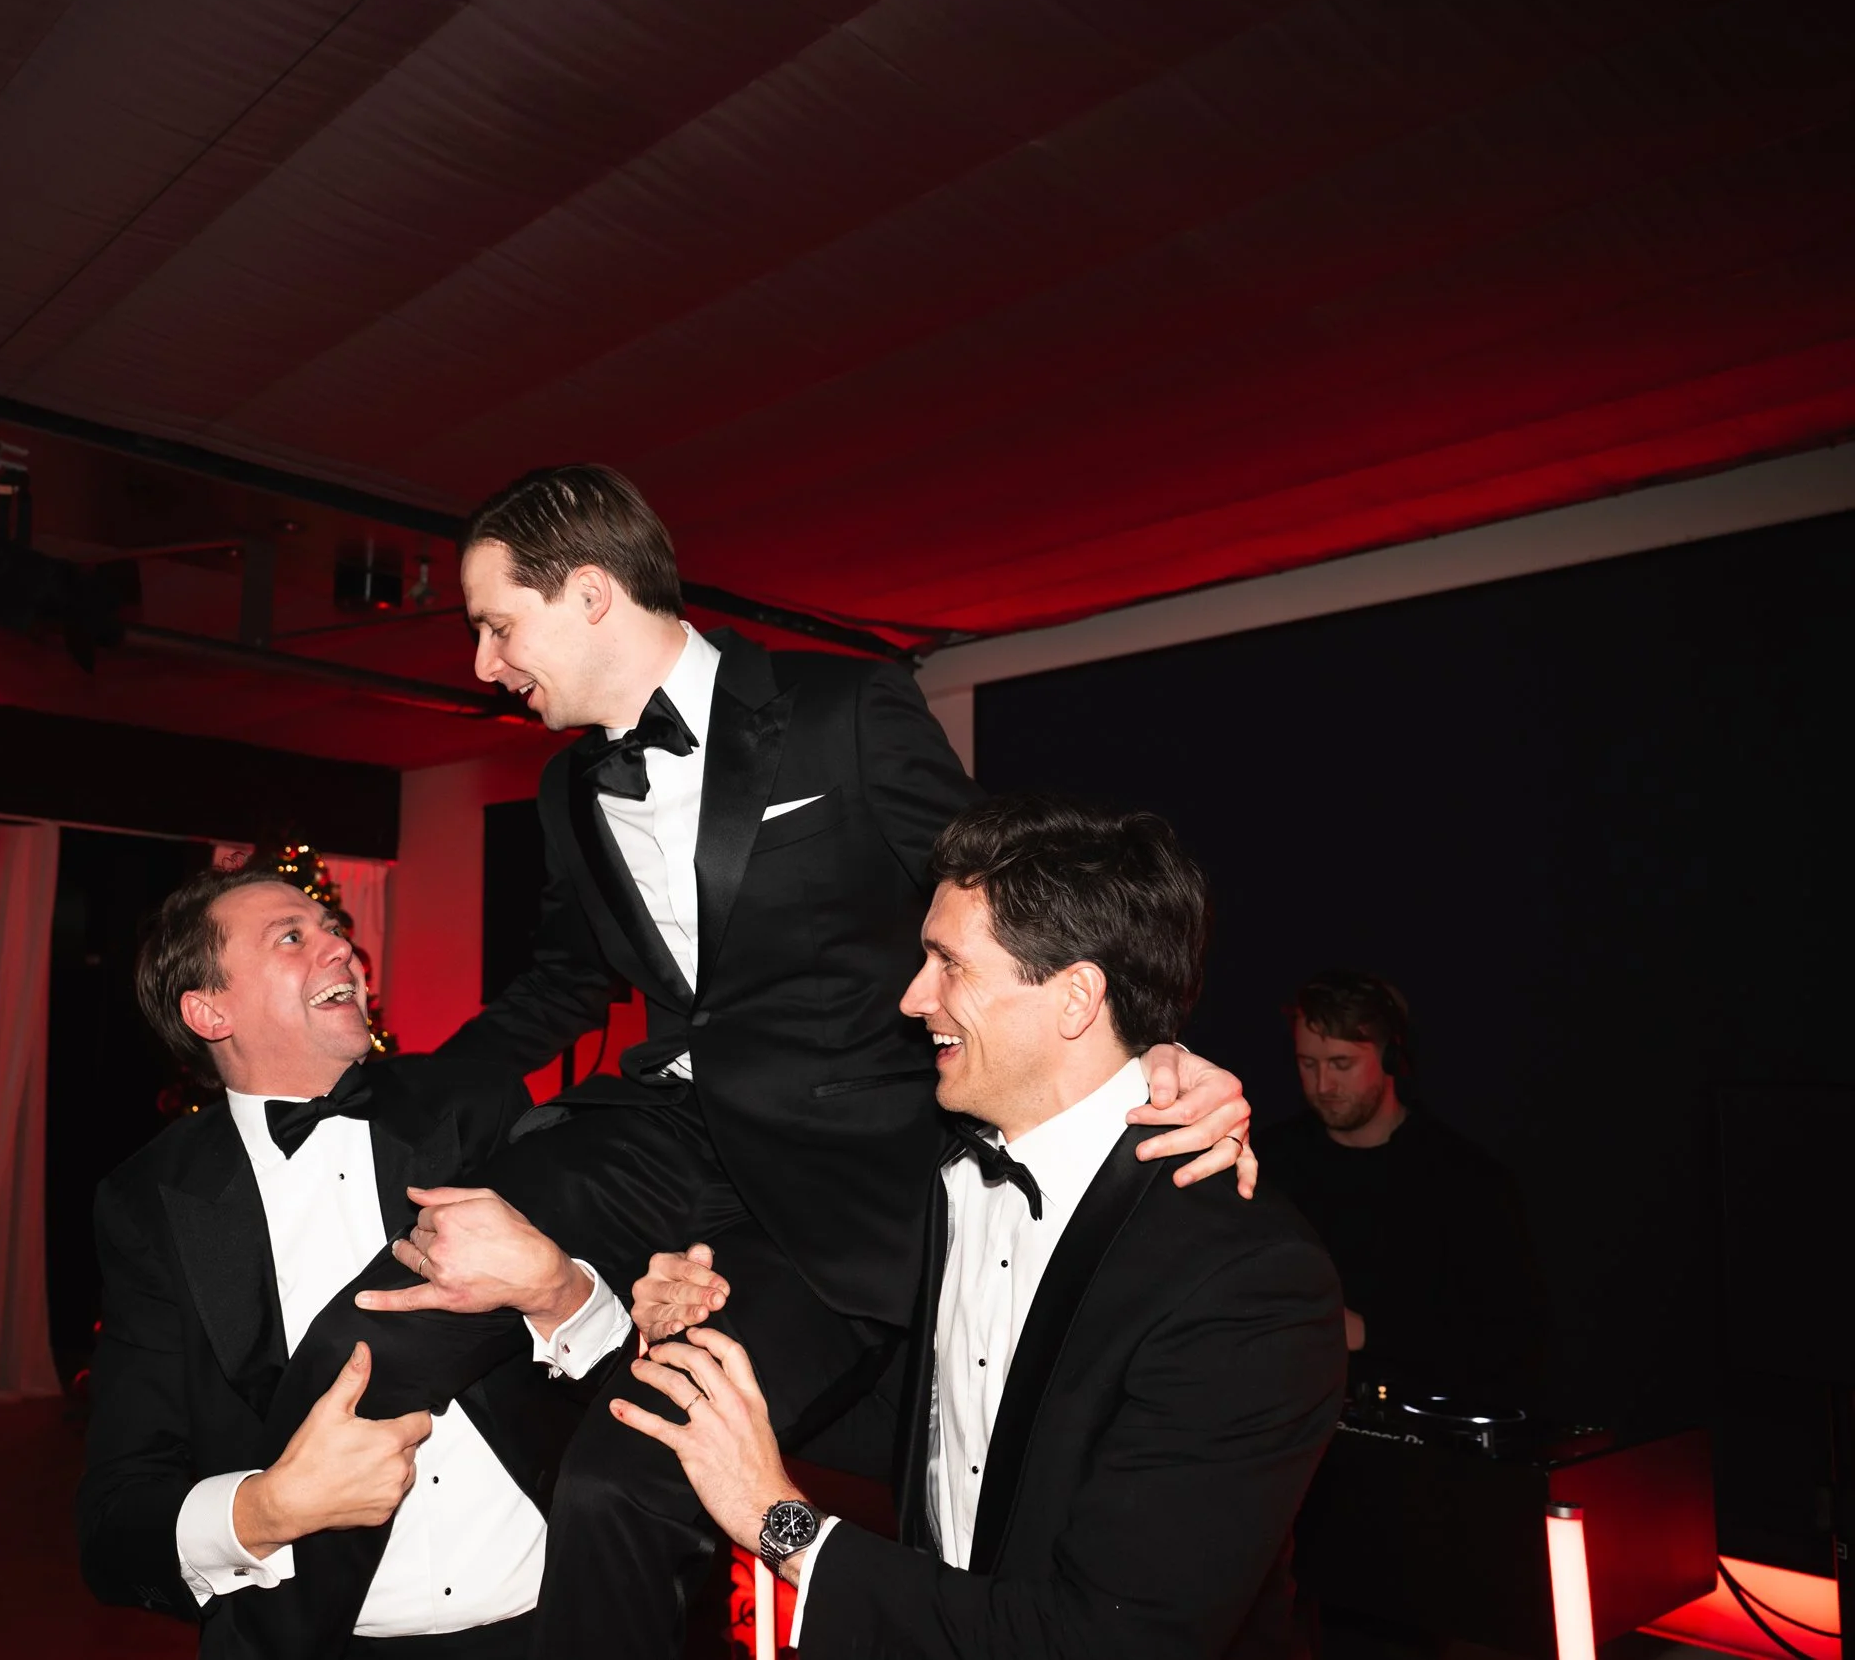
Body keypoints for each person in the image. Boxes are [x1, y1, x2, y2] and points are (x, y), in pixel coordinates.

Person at [253, 465, 1261, 1660]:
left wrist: (1148, 1051)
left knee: (619, 1490)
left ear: (587, 594)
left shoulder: (844, 710)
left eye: (494, 623)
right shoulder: (570, 784)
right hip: (655, 1138)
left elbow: (1012, 901)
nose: (482, 663)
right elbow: (564, 986)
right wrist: (373, 1089)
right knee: (362, 1338)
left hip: (833, 1178)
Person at [618, 796, 1347, 1659]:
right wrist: (699, 1338)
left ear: (1075, 996)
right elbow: (943, 1433)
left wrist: (780, 1521)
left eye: (947, 962)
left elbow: (1109, 1639)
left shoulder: (1245, 1279)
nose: (912, 995)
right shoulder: (956, 1171)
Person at [77, 867, 632, 1660]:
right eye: (293, 937)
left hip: (566, 1616)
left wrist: (562, 1292)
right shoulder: (149, 1203)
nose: (342, 946)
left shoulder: (473, 1107)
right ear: (209, 1009)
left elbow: (637, 1348)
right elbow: (115, 1520)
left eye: (333, 927)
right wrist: (268, 1508)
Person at [1257, 969, 1550, 1399]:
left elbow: (1509, 1339)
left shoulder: (1465, 1181)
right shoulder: (1267, 1161)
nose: (1323, 1085)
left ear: (1391, 1057)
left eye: (1342, 1063)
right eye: (1308, 1064)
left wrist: (1368, 1334)